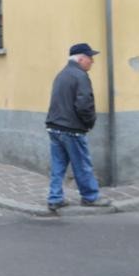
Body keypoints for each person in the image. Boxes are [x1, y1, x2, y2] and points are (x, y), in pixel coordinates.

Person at [45, 43, 113, 212]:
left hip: (55, 126)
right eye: (90, 58)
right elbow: (84, 104)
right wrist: (89, 123)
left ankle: (55, 199)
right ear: (81, 58)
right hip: (71, 129)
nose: (92, 62)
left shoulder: (61, 74)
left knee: (58, 166)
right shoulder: (80, 76)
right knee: (82, 164)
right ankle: (90, 197)